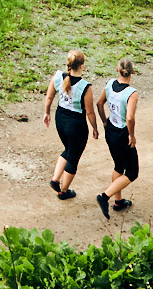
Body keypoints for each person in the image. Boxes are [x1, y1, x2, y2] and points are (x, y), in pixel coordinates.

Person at [43, 50, 93, 200]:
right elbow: (90, 112)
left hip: (60, 119)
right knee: (73, 157)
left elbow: (49, 97)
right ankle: (64, 191)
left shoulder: (58, 76)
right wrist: (96, 128)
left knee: (69, 149)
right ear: (82, 66)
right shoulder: (85, 86)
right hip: (76, 124)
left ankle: (55, 179)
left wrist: (47, 113)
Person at [97, 59, 140, 220]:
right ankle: (105, 196)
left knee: (118, 165)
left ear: (117, 70)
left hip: (110, 130)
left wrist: (104, 121)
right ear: (132, 72)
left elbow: (99, 103)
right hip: (122, 134)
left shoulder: (109, 84)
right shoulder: (132, 93)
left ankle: (119, 201)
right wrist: (132, 135)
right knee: (132, 172)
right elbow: (129, 117)